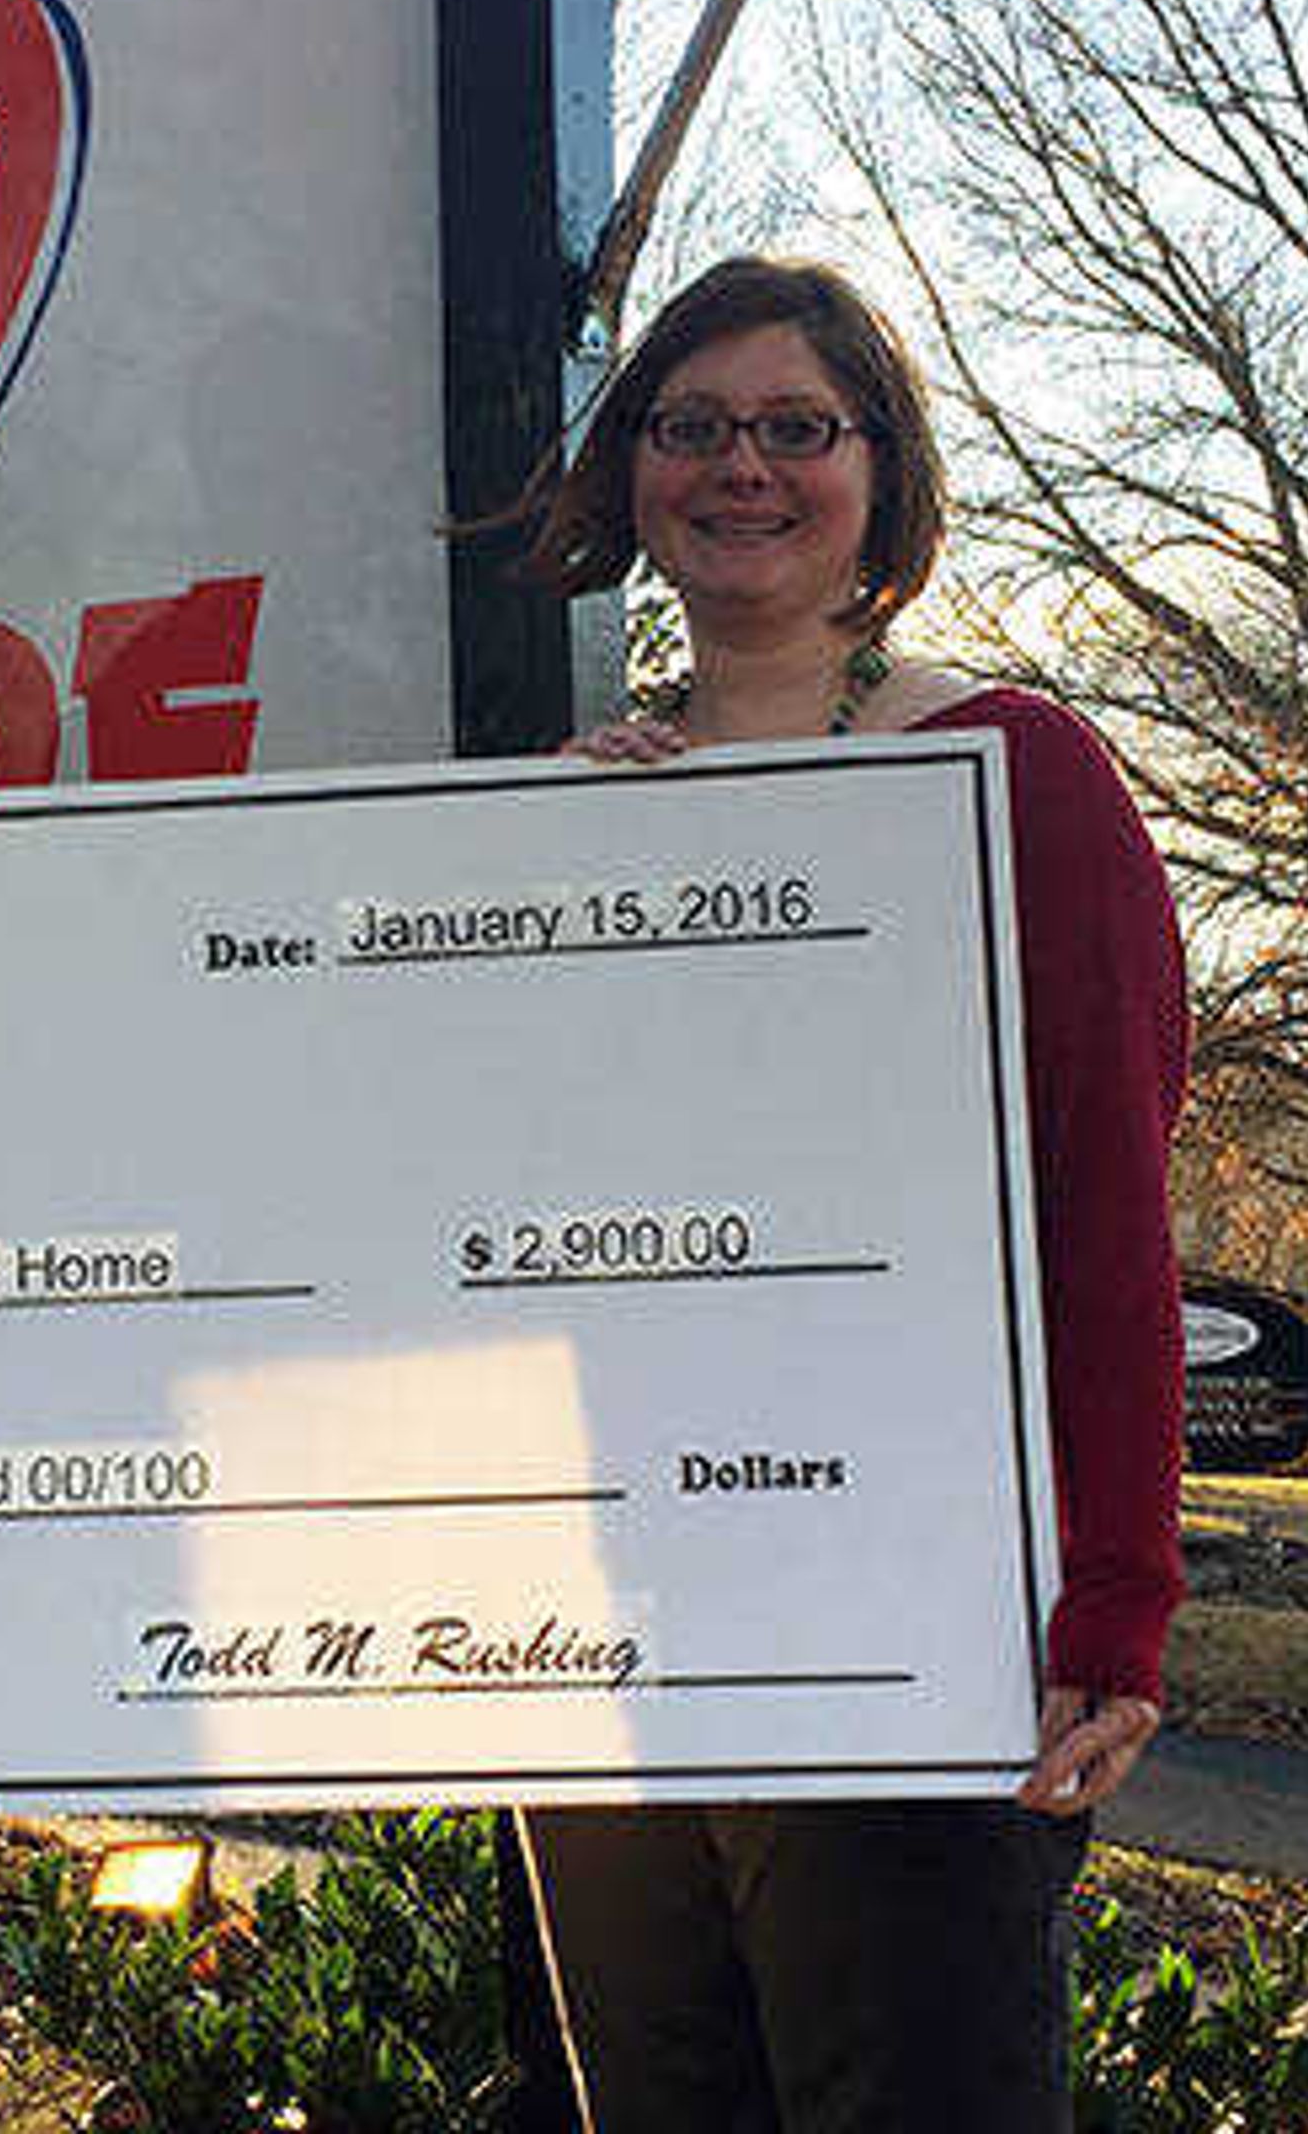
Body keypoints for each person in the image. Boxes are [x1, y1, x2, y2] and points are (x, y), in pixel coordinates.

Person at [496, 255, 1187, 2131]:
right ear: (632, 467)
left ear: (883, 472)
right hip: (613, 1623)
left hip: (920, 1623)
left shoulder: (1015, 775)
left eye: (798, 427)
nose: (742, 468)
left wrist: (1116, 1603)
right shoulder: (563, 824)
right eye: (692, 425)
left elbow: (1107, 1207)